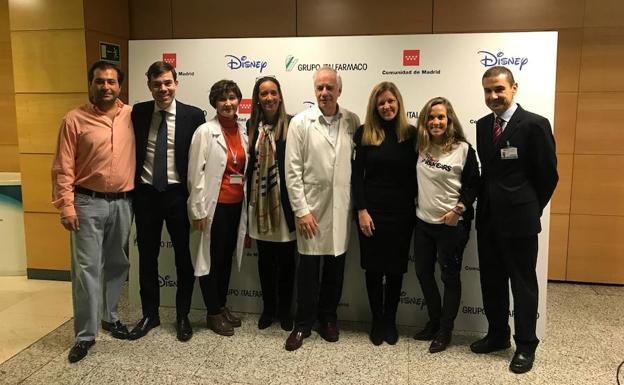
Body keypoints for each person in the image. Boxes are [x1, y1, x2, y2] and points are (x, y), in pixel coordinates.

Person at [471, 66, 558, 374]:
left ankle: (525, 345)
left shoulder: (534, 125)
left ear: (513, 88)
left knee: (522, 284)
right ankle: (497, 335)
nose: (493, 96)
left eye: (499, 89)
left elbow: (548, 175)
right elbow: (488, 173)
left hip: (520, 220)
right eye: (487, 91)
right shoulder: (482, 126)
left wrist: (530, 208)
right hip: (489, 219)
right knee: (491, 280)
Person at [51, 61, 135, 363]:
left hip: (124, 202)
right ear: (91, 84)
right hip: (87, 203)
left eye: (111, 82)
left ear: (120, 86)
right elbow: (63, 167)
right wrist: (66, 205)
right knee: (86, 270)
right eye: (100, 81)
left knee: (116, 264)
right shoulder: (74, 119)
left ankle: (110, 318)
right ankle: (85, 335)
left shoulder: (130, 116)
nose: (106, 87)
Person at [284, 67, 360, 351]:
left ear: (339, 90)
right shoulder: (301, 123)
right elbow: (291, 170)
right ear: (314, 90)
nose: (324, 93)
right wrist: (301, 210)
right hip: (311, 209)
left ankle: (328, 318)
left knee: (335, 268)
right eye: (319, 88)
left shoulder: (352, 120)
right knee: (308, 270)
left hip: (341, 208)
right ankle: (302, 324)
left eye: (330, 87)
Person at [129, 61, 206, 342]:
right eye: (157, 83)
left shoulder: (194, 116)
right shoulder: (137, 113)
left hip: (178, 196)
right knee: (147, 257)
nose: (163, 89)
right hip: (146, 194)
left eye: (167, 83)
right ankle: (150, 314)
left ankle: (183, 315)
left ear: (176, 83)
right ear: (148, 84)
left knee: (184, 259)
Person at [412, 97, 480, 353]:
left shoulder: (463, 149)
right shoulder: (420, 146)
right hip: (423, 223)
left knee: (450, 278)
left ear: (449, 119)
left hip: (452, 226)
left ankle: (445, 331)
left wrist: (459, 210)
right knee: (422, 273)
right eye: (431, 117)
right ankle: (434, 321)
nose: (435, 122)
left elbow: (474, 184)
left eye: (440, 117)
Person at [351, 82, 417, 346]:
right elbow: (356, 176)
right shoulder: (364, 133)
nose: (387, 106)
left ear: (398, 103)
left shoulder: (411, 134)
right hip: (371, 212)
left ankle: (390, 319)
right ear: (374, 107)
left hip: (403, 213)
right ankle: (377, 321)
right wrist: (361, 210)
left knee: (396, 269)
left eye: (391, 101)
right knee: (374, 269)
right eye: (381, 103)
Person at [187, 79, 249, 336]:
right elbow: (195, 175)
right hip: (214, 207)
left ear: (239, 101)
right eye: (222, 99)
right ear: (215, 102)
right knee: (210, 261)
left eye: (232, 97)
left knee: (224, 260)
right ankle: (212, 312)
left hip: (235, 207)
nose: (228, 103)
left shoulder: (242, 131)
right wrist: (198, 211)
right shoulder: (205, 131)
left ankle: (221, 306)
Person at [246, 76, 296, 331]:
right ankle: (268, 309)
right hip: (260, 206)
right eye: (263, 93)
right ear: (257, 98)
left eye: (272, 93)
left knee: (287, 264)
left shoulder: (292, 124)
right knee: (265, 262)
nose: (268, 98)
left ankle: (286, 311)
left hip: (284, 206)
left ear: (280, 96)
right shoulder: (250, 126)